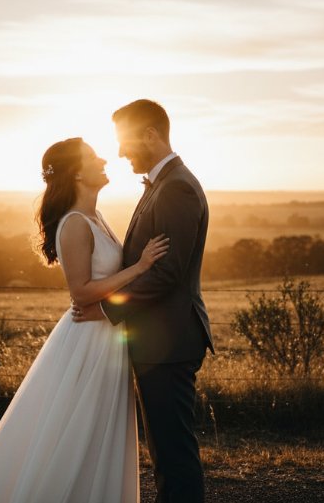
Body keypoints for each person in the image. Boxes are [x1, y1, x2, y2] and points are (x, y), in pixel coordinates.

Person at [0, 136, 169, 503]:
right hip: (88, 340)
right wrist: (141, 267)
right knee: (77, 434)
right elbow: (81, 292)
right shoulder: (75, 224)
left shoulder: (96, 217)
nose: (103, 160)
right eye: (93, 157)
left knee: (96, 435)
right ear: (77, 173)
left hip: (106, 335)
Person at [73, 99, 214, 503]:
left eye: (125, 141)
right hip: (160, 340)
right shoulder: (165, 184)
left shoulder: (177, 189)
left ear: (151, 135)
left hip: (169, 341)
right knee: (166, 452)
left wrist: (105, 309)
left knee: (174, 454)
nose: (119, 152)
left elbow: (167, 274)